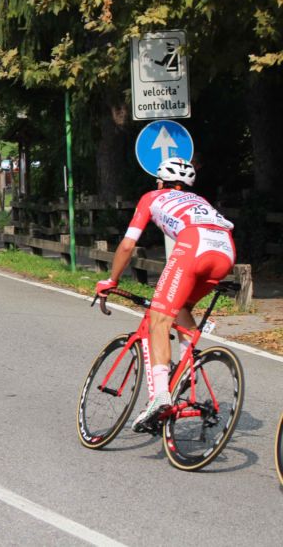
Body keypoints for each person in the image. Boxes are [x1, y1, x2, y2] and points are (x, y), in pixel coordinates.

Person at [95, 157, 236, 432]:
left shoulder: (151, 197)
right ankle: (188, 368)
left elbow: (127, 245)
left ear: (160, 182)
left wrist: (111, 280)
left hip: (194, 247)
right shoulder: (200, 201)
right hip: (226, 252)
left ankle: (160, 397)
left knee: (160, 318)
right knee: (181, 308)